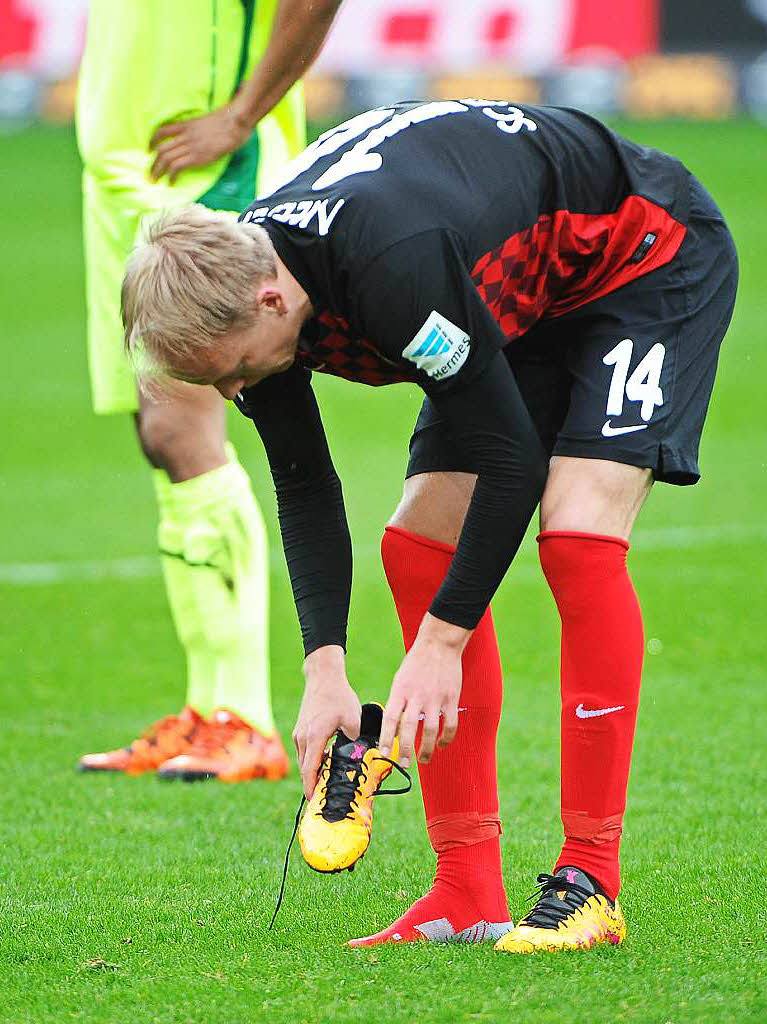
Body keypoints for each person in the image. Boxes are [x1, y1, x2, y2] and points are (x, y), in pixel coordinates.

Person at [120, 100, 738, 948]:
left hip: (639, 259)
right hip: (519, 287)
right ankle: (464, 889)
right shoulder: (245, 286)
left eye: (230, 373)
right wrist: (324, 670)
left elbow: (512, 460)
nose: (233, 394)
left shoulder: (388, 267)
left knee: (575, 531)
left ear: (269, 302)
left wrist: (441, 643)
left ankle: (590, 878)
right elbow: (304, 483)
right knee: (417, 547)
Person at [75, 0, 343, 782]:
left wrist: (240, 114)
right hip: (117, 182)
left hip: (197, 177)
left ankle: (243, 718)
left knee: (185, 431)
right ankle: (205, 709)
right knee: (158, 441)